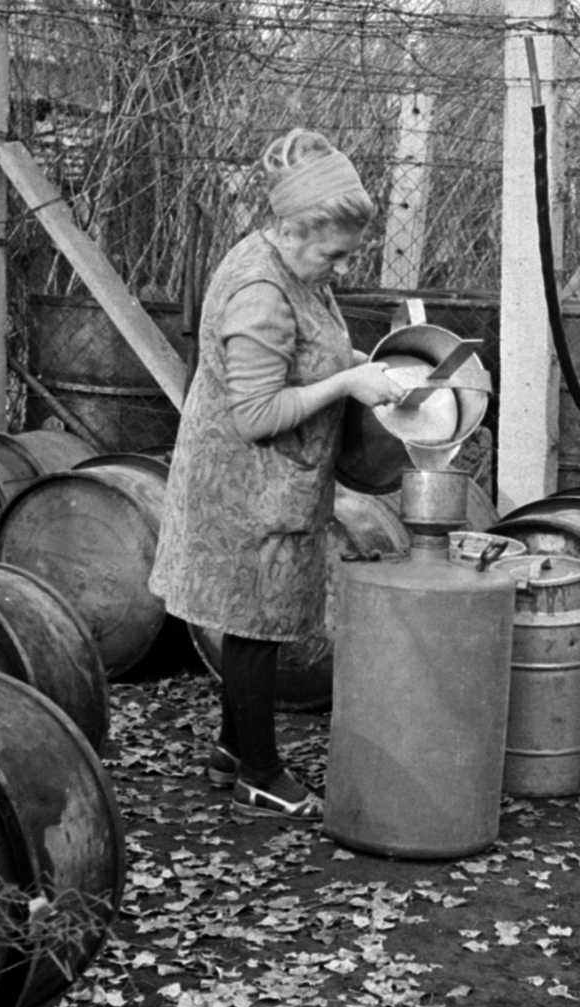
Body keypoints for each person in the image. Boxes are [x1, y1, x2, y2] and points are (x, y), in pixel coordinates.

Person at [150, 128, 405, 822]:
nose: (342, 265)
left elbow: (310, 349)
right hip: (245, 483)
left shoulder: (291, 267)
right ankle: (260, 774)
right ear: (294, 231)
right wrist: (349, 382)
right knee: (252, 622)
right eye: (335, 252)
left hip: (272, 482)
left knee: (253, 617)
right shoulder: (260, 290)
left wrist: (368, 364)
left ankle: (235, 748)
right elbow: (259, 413)